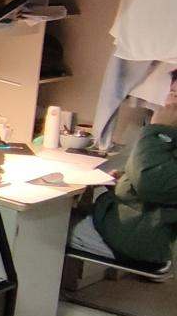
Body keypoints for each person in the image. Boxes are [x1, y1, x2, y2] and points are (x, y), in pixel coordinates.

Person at [71, 69, 177, 268]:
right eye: (171, 94)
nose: (169, 106)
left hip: (137, 240)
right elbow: (162, 180)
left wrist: (159, 131)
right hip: (132, 225)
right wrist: (126, 182)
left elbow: (150, 182)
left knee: (42, 227)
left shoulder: (165, 134)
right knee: (59, 213)